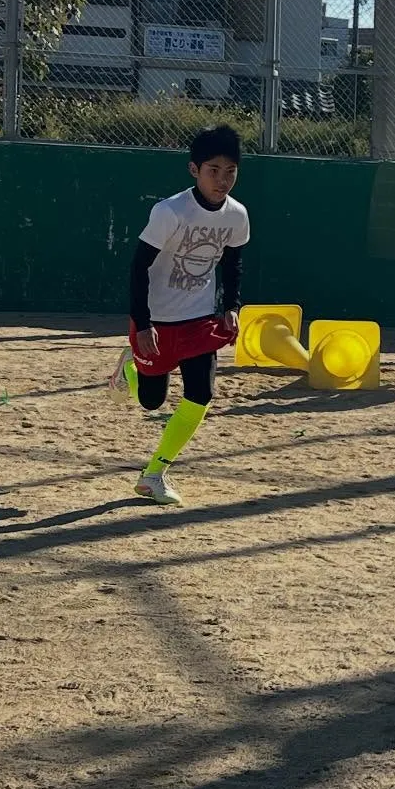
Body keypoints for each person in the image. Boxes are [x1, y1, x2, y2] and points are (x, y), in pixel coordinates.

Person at [107, 124, 249, 505]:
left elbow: (233, 264)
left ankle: (154, 473)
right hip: (156, 319)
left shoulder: (237, 215)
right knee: (151, 402)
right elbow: (139, 268)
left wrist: (231, 307)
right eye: (213, 170)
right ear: (194, 170)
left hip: (200, 318)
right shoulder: (169, 211)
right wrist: (143, 324)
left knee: (201, 395)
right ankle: (131, 369)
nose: (222, 180)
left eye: (230, 171)